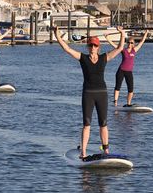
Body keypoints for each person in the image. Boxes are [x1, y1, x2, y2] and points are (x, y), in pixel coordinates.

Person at [54, 26, 126, 159]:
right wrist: (57, 35)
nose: (93, 47)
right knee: (87, 124)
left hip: (102, 93)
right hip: (88, 94)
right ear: (88, 47)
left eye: (95, 45)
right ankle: (83, 152)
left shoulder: (104, 57)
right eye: (91, 45)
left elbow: (120, 48)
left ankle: (106, 151)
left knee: (103, 123)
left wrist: (122, 33)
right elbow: (67, 49)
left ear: (98, 47)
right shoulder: (83, 58)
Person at [105, 31, 148, 107]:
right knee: (118, 86)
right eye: (128, 42)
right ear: (127, 43)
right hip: (121, 70)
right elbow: (114, 46)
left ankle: (128, 104)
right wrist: (107, 38)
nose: (130, 44)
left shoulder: (134, 50)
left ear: (133, 44)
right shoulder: (123, 50)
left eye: (131, 43)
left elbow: (141, 42)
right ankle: (115, 102)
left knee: (131, 89)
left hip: (129, 72)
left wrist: (146, 33)